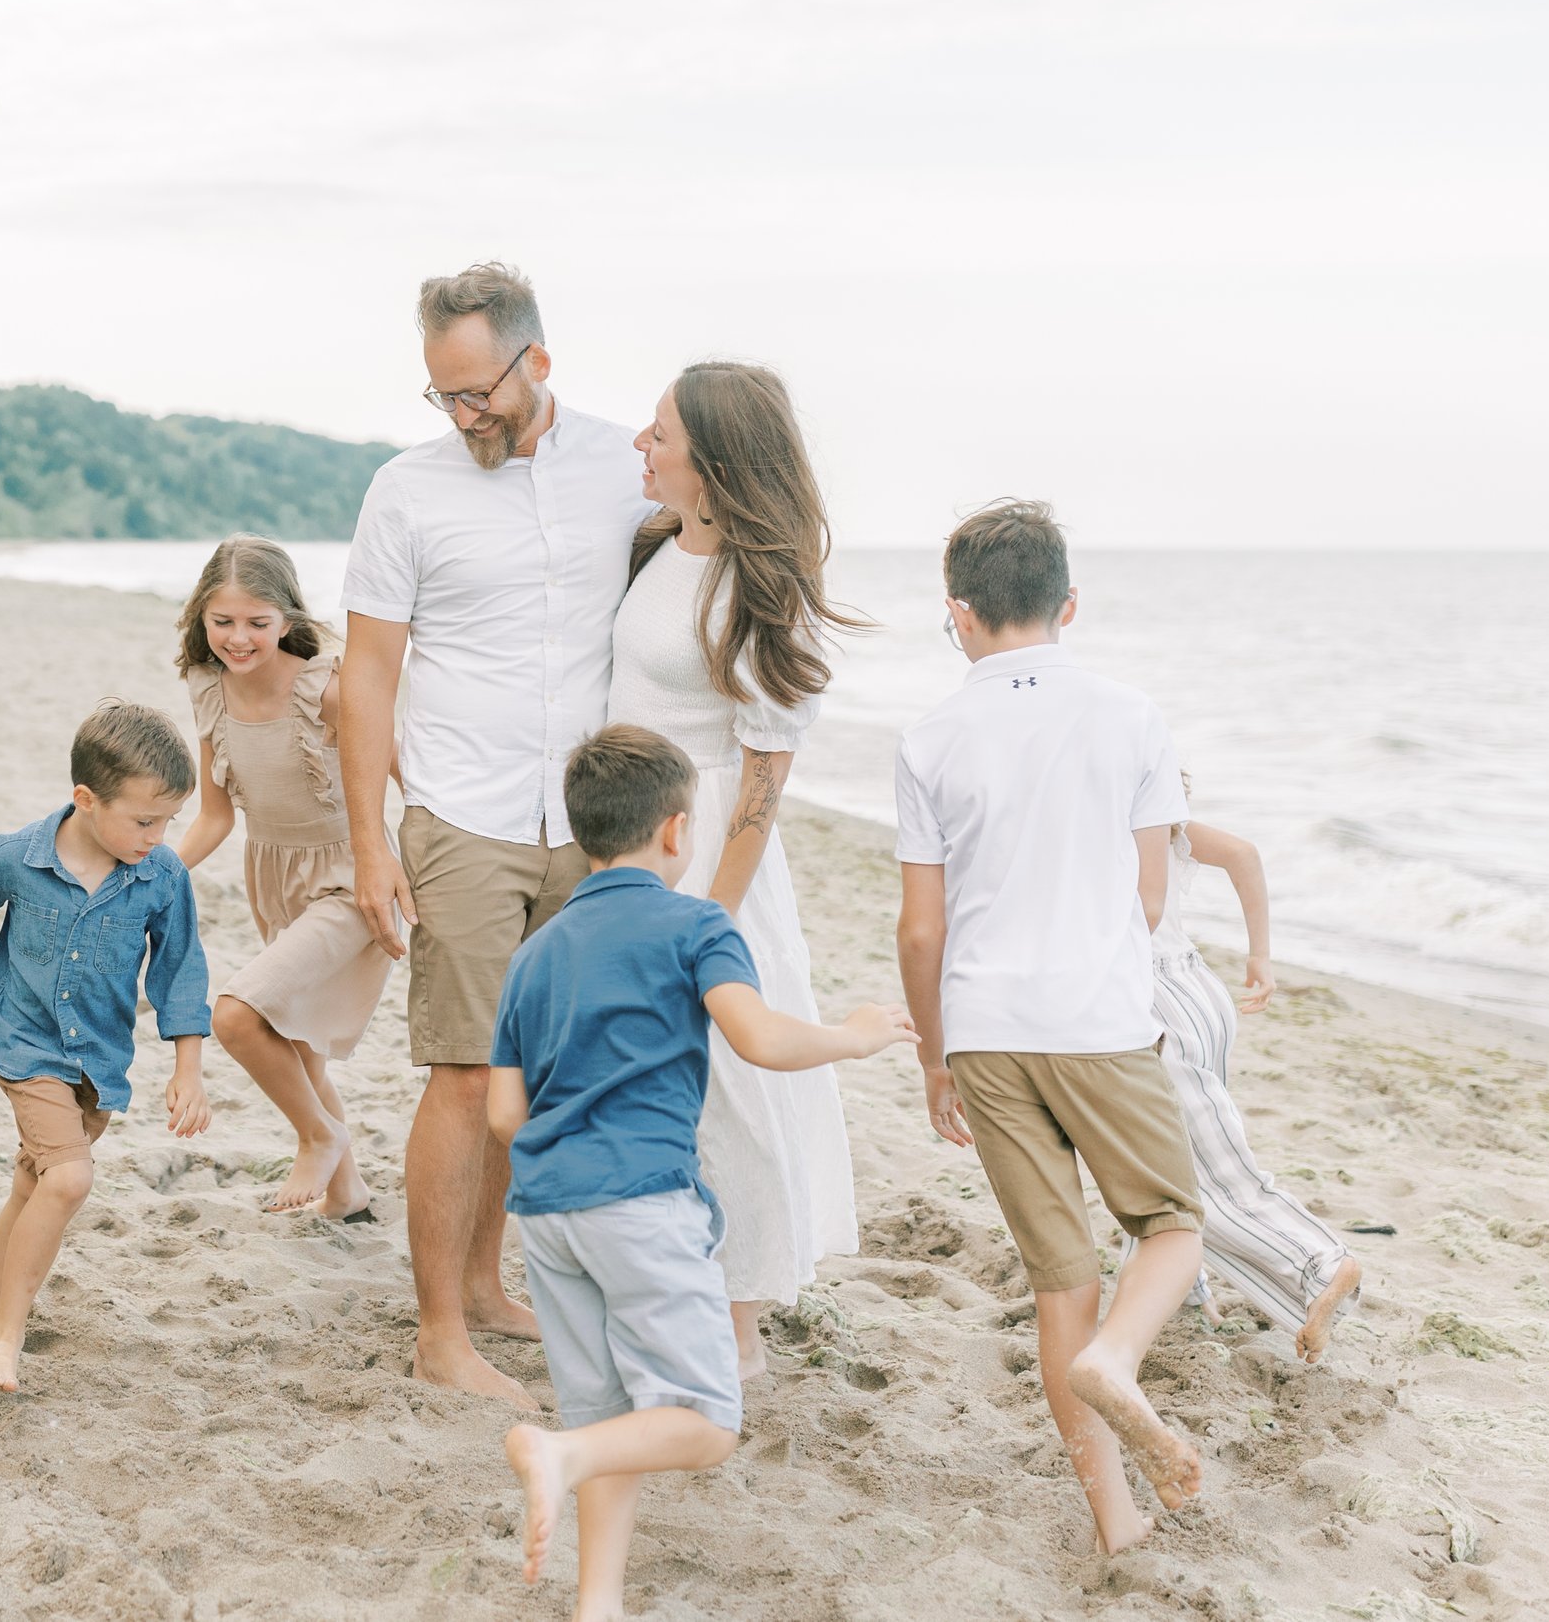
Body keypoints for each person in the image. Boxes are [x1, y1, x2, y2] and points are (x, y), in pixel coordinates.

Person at [489, 726, 916, 1621]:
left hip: (548, 1211)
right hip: (642, 1201)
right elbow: (758, 1038)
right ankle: (558, 1460)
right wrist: (853, 1033)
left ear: (581, 835)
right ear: (679, 831)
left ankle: (596, 1600)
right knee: (708, 1421)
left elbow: (502, 1114)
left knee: (606, 1420)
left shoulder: (533, 953)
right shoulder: (697, 923)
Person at [339, 262, 653, 1410]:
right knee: (462, 1071)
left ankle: (483, 1281)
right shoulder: (404, 491)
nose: (462, 414)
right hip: (459, 814)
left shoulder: (627, 466)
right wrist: (373, 843)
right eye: (444, 396)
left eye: (477, 391)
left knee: (532, 1068)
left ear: (537, 362)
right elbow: (367, 675)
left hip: (585, 817)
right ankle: (437, 1332)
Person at [891, 500, 1207, 1554]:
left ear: (960, 615)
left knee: (1057, 1277)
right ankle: (1117, 1357)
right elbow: (1150, 896)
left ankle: (1115, 1522)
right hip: (1096, 1016)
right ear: (1068, 603)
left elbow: (919, 926)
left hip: (982, 1024)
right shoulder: (1130, 715)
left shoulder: (930, 734)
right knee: (1167, 1223)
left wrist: (935, 1055)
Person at [610, 361, 865, 1379]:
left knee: (729, 1076)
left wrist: (706, 916)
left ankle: (740, 1320)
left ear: (712, 460)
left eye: (661, 431)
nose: (641, 441)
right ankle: (665, 1280)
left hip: (711, 844)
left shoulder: (763, 592)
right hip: (624, 831)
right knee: (649, 1072)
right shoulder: (648, 548)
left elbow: (763, 786)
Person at [0, 699, 214, 1392]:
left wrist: (189, 1067)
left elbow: (180, 969)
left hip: (98, 1057)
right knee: (69, 1178)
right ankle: (5, 1334)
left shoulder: (161, 875)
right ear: (86, 799)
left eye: (169, 818)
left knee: (35, 1177)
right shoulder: (17, 856)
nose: (159, 834)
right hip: (22, 1040)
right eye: (145, 820)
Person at [171, 536, 387, 1221]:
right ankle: (348, 1192)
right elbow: (214, 814)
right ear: (201, 618)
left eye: (257, 622)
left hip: (349, 880)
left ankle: (320, 1136)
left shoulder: (327, 687)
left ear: (288, 617)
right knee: (298, 1046)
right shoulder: (206, 689)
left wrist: (414, 871)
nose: (239, 638)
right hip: (272, 878)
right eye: (223, 621)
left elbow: (409, 776)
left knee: (236, 1015)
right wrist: (153, 871)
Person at [1134, 810, 1362, 1361]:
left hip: (1150, 999)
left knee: (1197, 1172)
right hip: (1197, 988)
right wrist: (1259, 954)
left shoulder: (1102, 816)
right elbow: (1244, 854)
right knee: (1156, 1157)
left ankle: (1321, 1263)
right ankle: (1184, 1297)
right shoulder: (1158, 814)